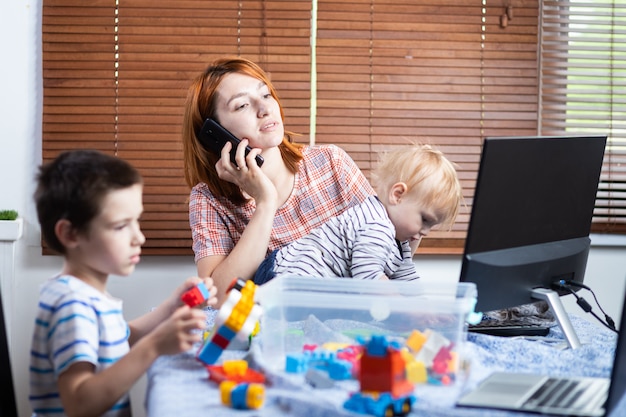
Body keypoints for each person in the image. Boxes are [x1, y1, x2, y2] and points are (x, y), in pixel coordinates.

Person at [29, 150, 218, 417]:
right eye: (120, 226)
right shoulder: (71, 305)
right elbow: (78, 404)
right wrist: (154, 347)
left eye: (136, 221)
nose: (138, 237)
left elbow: (122, 338)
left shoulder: (85, 294)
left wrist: (173, 306)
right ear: (70, 234)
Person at [182, 56, 375, 301]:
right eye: (242, 105)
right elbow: (217, 297)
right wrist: (266, 202)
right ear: (215, 132)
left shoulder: (331, 162)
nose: (265, 109)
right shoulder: (208, 198)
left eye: (265, 95)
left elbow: (386, 249)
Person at [253, 144, 463, 284]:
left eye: (431, 226)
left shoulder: (400, 244)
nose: (425, 232)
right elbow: (369, 280)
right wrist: (402, 306)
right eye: (424, 220)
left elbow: (408, 283)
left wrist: (425, 312)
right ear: (397, 195)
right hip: (286, 273)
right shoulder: (376, 225)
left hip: (298, 277)